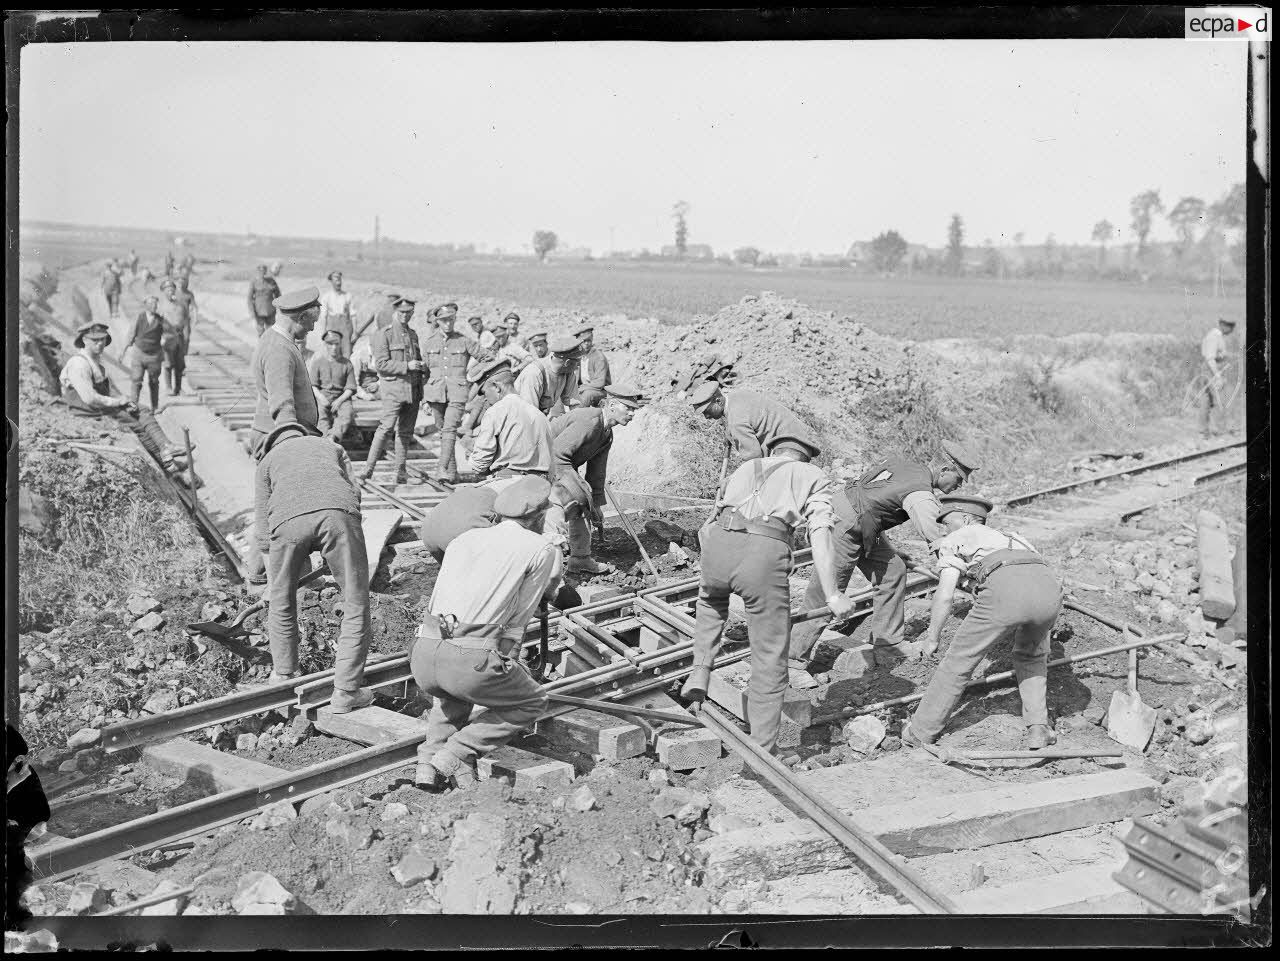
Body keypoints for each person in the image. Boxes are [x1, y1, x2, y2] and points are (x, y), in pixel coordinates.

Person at [680, 440, 854, 754]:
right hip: (763, 552)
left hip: (718, 544)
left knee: (711, 602)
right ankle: (762, 749)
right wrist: (832, 594)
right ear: (805, 457)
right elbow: (821, 537)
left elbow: (719, 507)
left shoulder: (749, 466)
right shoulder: (812, 476)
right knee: (770, 655)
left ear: (774, 452)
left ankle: (700, 669)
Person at [411, 477, 563, 791]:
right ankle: (456, 752)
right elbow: (519, 619)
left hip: (424, 653)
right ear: (537, 516)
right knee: (532, 701)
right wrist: (509, 662)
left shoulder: (463, 540)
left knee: (452, 696)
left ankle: (427, 764)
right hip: (469, 662)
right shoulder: (539, 548)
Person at [788, 440, 981, 669]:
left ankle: (887, 645)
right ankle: (791, 660)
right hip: (846, 526)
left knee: (893, 570)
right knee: (826, 593)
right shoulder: (921, 494)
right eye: (959, 479)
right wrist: (964, 572)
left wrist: (886, 547)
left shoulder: (903, 465)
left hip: (860, 523)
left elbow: (872, 502)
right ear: (944, 469)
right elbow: (939, 541)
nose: (959, 485)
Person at [903, 495, 1062, 751]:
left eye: (948, 523)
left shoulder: (957, 538)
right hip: (1048, 590)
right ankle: (1039, 728)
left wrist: (932, 636)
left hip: (1006, 592)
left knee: (959, 660)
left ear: (965, 519)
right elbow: (1022, 569)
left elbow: (944, 597)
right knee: (1032, 656)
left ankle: (920, 732)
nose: (945, 530)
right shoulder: (1014, 537)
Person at [253, 421, 374, 712]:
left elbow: (262, 533)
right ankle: (346, 693)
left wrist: (271, 580)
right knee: (356, 601)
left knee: (281, 601)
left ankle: (283, 677)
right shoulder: (331, 446)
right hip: (338, 516)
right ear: (304, 433)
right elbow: (354, 495)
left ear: (271, 444)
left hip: (286, 525)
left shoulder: (266, 462)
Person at [59, 320, 191, 480]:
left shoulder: (94, 360)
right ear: (84, 340)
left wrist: (123, 400)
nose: (100, 344)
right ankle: (167, 464)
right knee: (136, 424)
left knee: (140, 409)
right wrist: (117, 402)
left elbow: (105, 390)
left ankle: (166, 449)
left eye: (103, 339)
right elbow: (89, 398)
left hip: (99, 407)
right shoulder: (79, 364)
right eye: (95, 340)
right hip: (87, 412)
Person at [550, 384, 648, 575]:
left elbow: (596, 474)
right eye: (627, 408)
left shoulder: (606, 434)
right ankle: (551, 564)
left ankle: (580, 559)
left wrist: (596, 506)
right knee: (572, 501)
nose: (632, 414)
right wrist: (582, 493)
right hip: (540, 465)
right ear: (611, 405)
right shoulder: (589, 420)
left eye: (634, 409)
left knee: (584, 501)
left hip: (560, 466)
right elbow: (557, 455)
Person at [358, 296, 424, 485]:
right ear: (395, 312)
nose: (405, 316)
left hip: (412, 391)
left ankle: (400, 472)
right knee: (385, 428)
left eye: (409, 312)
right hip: (393, 391)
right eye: (402, 312)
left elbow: (416, 362)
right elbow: (380, 364)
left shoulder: (413, 334)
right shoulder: (384, 334)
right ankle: (367, 470)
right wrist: (407, 365)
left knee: (404, 433)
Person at [250, 286, 321, 456]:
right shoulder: (279, 349)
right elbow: (282, 405)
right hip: (281, 440)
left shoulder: (279, 340)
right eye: (312, 322)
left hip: (286, 436)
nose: (311, 329)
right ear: (302, 317)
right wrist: (291, 449)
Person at [688, 382, 820, 471]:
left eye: (707, 411)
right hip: (799, 443)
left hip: (788, 449)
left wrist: (736, 480)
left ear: (718, 401)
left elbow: (753, 458)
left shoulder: (736, 420)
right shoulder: (738, 396)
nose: (706, 417)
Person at [419, 302, 480, 483]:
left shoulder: (463, 340)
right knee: (444, 433)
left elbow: (485, 357)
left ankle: (442, 468)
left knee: (450, 429)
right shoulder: (429, 343)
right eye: (444, 320)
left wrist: (474, 377)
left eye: (451, 320)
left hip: (457, 393)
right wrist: (424, 400)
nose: (448, 324)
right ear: (438, 321)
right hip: (435, 394)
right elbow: (424, 374)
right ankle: (452, 474)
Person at [468, 361, 554, 481]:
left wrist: (471, 456)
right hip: (541, 483)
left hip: (509, 484)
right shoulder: (539, 415)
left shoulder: (495, 412)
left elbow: (479, 466)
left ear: (496, 387)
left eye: (485, 392)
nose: (485, 399)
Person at [515, 334, 581, 419]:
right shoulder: (535, 373)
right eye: (577, 362)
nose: (578, 366)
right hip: (519, 419)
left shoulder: (567, 372)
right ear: (567, 363)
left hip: (538, 418)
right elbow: (529, 415)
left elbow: (574, 403)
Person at [310, 330, 358, 443]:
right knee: (320, 414)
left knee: (347, 413)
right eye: (330, 344)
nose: (334, 347)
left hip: (341, 397)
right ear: (325, 345)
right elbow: (313, 385)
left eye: (336, 344)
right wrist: (321, 398)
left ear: (340, 344)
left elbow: (350, 388)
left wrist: (339, 401)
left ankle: (333, 437)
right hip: (323, 396)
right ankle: (324, 439)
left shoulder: (347, 364)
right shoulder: (318, 362)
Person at [122, 294, 166, 409]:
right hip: (139, 354)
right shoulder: (139, 317)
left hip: (154, 356)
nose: (154, 306)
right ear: (145, 305)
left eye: (155, 304)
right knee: (136, 380)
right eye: (151, 304)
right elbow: (131, 334)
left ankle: (155, 407)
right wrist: (123, 351)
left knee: (154, 381)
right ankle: (133, 405)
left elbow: (168, 334)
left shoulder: (161, 320)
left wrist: (165, 342)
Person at [1199, 317, 1237, 438]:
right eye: (1231, 326)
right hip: (1211, 371)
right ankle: (1219, 430)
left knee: (1207, 400)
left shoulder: (1215, 336)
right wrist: (1218, 376)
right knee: (1219, 399)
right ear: (1224, 325)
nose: (1231, 330)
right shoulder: (1214, 336)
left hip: (1208, 370)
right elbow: (1210, 358)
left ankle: (1204, 431)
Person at [158, 277, 192, 396]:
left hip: (179, 337)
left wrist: (186, 336)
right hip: (167, 337)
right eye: (167, 290)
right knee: (168, 363)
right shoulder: (160, 306)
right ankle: (168, 387)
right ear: (163, 292)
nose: (170, 292)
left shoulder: (181, 304)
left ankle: (178, 388)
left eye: (172, 289)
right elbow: (156, 323)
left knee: (179, 363)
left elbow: (186, 319)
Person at [574, 323, 612, 408]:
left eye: (589, 340)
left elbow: (599, 383)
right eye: (584, 341)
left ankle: (576, 417)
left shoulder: (599, 357)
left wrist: (581, 388)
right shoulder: (578, 357)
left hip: (601, 391)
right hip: (584, 388)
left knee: (587, 395)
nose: (587, 343)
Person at [320, 270, 356, 354]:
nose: (338, 282)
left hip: (345, 328)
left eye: (339, 280)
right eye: (336, 280)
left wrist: (355, 331)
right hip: (332, 327)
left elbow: (353, 315)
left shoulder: (347, 296)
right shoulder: (326, 297)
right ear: (331, 282)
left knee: (346, 351)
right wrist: (324, 332)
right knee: (332, 350)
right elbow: (324, 316)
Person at [247, 264, 282, 337]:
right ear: (258, 271)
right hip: (258, 311)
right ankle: (262, 347)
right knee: (261, 332)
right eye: (260, 271)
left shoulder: (271, 281)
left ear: (266, 271)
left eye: (263, 271)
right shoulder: (254, 282)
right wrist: (252, 311)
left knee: (271, 332)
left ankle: (269, 347)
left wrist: (281, 307)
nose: (262, 273)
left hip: (271, 311)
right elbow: (249, 298)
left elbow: (278, 295)